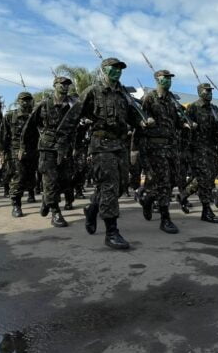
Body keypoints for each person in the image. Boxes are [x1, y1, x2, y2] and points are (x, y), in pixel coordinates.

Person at [56, 58, 150, 247]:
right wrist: (62, 143)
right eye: (113, 68)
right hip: (101, 144)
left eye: (119, 69)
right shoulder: (93, 91)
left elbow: (132, 114)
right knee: (109, 185)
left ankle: (92, 209)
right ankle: (111, 232)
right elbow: (73, 116)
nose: (117, 71)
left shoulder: (124, 94)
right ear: (104, 70)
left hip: (120, 144)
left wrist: (140, 122)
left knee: (122, 185)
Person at [22, 77, 74, 228]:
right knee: (50, 179)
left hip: (64, 148)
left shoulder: (71, 105)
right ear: (54, 86)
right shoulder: (44, 104)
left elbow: (74, 127)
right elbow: (30, 126)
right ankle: (55, 211)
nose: (65, 87)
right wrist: (23, 146)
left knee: (64, 179)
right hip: (47, 148)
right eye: (62, 84)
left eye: (67, 85)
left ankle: (46, 199)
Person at [139, 68, 185, 234]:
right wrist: (141, 152)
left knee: (172, 180)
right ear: (157, 79)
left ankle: (148, 199)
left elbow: (176, 121)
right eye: (165, 78)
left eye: (170, 78)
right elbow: (140, 121)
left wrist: (184, 123)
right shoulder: (149, 98)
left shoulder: (172, 99)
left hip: (171, 147)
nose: (168, 80)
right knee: (164, 182)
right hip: (155, 148)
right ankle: (165, 219)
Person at [185, 83, 218, 223]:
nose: (209, 93)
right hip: (198, 148)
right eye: (207, 91)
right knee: (205, 179)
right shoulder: (193, 107)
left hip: (211, 148)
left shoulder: (214, 108)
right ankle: (206, 210)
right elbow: (185, 129)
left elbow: (216, 127)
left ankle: (184, 195)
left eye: (210, 91)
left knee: (211, 176)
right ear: (200, 92)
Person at [0, 92, 36, 218]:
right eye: (23, 100)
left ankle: (33, 195)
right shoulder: (10, 116)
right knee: (18, 177)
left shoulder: (36, 115)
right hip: (16, 152)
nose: (25, 102)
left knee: (32, 177)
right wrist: (2, 154)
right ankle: (16, 204)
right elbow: (3, 136)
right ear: (18, 101)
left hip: (34, 150)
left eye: (28, 100)